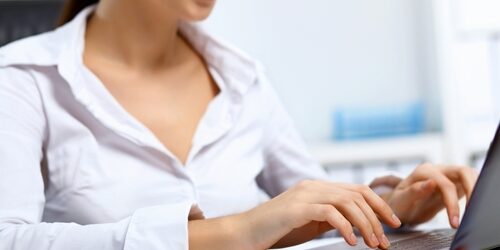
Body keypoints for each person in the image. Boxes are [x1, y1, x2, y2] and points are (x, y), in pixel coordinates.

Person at [0, 0, 478, 249]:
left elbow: (314, 206)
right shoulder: (24, 79)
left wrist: (393, 206)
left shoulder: (242, 78)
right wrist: (235, 233)